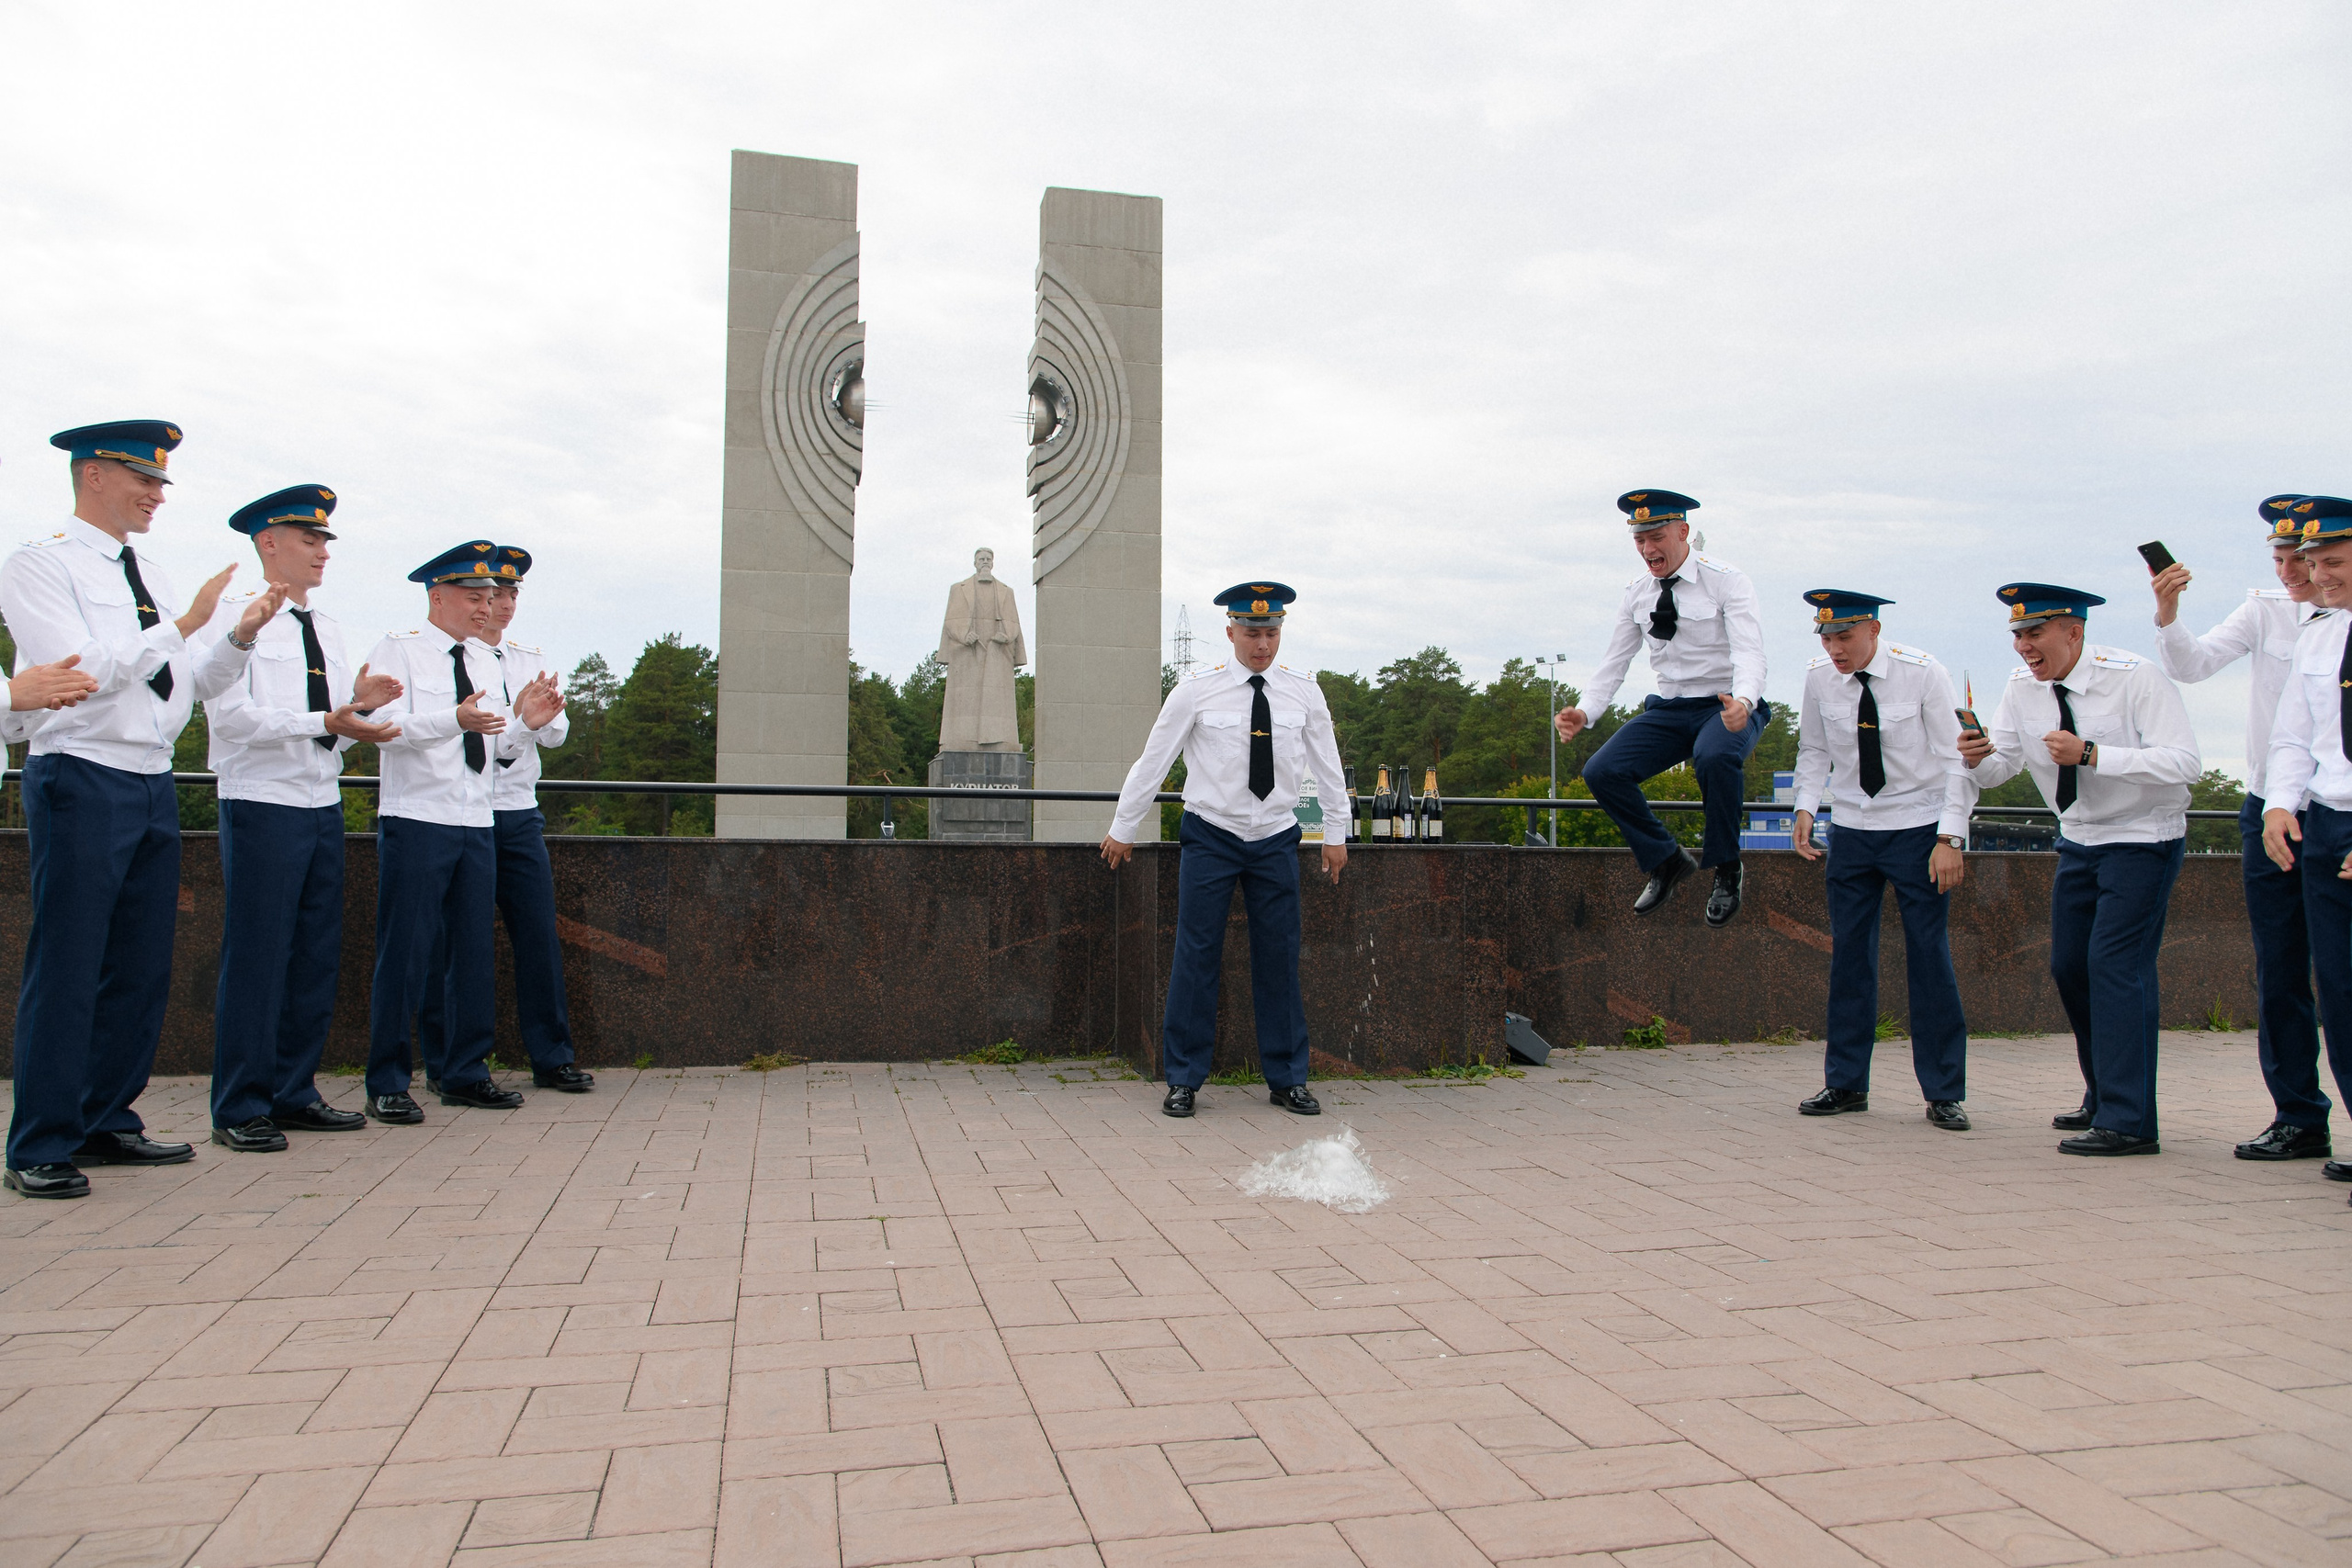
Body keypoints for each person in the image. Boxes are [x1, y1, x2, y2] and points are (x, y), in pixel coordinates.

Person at [2, 422, 271, 1199]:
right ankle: (41, 1141)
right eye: (144, 479)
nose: (158, 495)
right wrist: (179, 628)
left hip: (152, 776)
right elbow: (76, 671)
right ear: (92, 475)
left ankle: (107, 1116)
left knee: (140, 965)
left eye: (161, 483)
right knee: (69, 962)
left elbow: (187, 684)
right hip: (81, 772)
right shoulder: (38, 563)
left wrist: (237, 641)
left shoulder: (146, 571)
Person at [1959, 583, 2200, 1156]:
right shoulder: (2022, 688)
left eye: (2034, 634)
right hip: (2080, 841)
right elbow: (2003, 768)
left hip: (2142, 839)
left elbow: (2184, 763)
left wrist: (2093, 754)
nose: (2023, 648)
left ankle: (2130, 1121)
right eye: (2017, 635)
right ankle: (2104, 1096)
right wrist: (1979, 754)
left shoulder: (2134, 676)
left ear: (2074, 632)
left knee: (2115, 968)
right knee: (2071, 967)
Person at [198, 486, 404, 1153]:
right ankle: (239, 1104)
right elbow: (231, 720)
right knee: (259, 955)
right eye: (308, 539)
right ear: (267, 542)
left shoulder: (330, 628)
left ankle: (294, 1089)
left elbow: (333, 734)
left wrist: (358, 711)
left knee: (314, 954)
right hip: (260, 800)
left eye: (324, 541)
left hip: (320, 802)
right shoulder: (236, 618)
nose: (321, 551)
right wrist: (327, 719)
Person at [1102, 581, 1349, 1118]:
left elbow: (1328, 765)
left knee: (1280, 958)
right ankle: (1184, 1079)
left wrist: (1336, 832)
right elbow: (1154, 760)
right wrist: (1125, 825)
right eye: (1253, 633)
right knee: (1196, 956)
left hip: (1276, 836)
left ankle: (1287, 1079)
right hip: (1212, 834)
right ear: (1230, 630)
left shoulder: (1304, 692)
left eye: (1272, 632)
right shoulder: (1195, 690)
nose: (1263, 644)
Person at [2151, 496, 2335, 1163]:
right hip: (2271, 811)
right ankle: (2299, 1114)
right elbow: (2192, 665)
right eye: (2281, 558)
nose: (2291, 572)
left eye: (2302, 559)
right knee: (2280, 968)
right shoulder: (2266, 610)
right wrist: (2168, 615)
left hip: (2336, 806)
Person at [1789, 591, 1975, 1129]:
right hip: (1850, 828)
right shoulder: (1819, 677)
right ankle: (1845, 1083)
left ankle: (1943, 1091)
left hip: (1917, 829)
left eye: (1843, 637)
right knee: (1849, 957)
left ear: (1872, 629)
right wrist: (1805, 806)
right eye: (1825, 638)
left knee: (1928, 956)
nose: (1833, 650)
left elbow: (1955, 757)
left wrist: (1951, 837)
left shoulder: (1923, 673)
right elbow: (1814, 748)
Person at [416, 546, 589, 1093]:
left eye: (511, 594)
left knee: (537, 935)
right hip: (458, 813)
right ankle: (451, 1063)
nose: (502, 605)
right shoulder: (445, 658)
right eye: (491, 595)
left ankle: (552, 1055)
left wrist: (531, 720)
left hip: (514, 813)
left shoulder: (522, 658)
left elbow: (556, 733)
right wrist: (522, 725)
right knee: (455, 944)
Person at [358, 542, 519, 1124]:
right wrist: (450, 719)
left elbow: (499, 748)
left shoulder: (483, 660)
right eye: (474, 597)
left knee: (472, 953)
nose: (486, 608)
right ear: (438, 596)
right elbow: (376, 727)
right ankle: (388, 1082)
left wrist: (528, 725)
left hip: (476, 817)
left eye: (491, 597)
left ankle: (463, 1072)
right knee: (405, 953)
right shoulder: (396, 651)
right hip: (417, 817)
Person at [1555, 490, 1770, 926]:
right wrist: (1585, 711)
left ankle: (1727, 870)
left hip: (1724, 705)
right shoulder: (1636, 593)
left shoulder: (1727, 580)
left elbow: (1751, 654)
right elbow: (1614, 662)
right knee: (1602, 770)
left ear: (1683, 532)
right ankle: (1666, 859)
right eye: (1639, 540)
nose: (1648, 550)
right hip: (1671, 710)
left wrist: (1743, 702)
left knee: (1715, 756)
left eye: (1656, 538)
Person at [2260, 495, 2352, 1203]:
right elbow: (2295, 734)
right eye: (2314, 563)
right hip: (2325, 827)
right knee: (2340, 993)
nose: (2320, 576)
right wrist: (2281, 803)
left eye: (2334, 562)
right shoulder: (2320, 636)